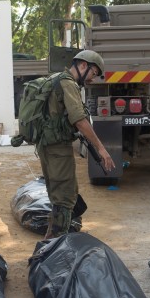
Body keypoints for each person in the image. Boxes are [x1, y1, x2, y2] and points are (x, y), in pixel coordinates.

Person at [37, 50, 114, 239]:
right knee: (64, 198)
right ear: (82, 65)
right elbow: (79, 119)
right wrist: (101, 148)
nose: (92, 79)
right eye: (93, 73)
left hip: (47, 146)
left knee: (59, 195)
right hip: (57, 149)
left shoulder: (55, 78)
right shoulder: (67, 83)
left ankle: (51, 243)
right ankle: (53, 250)